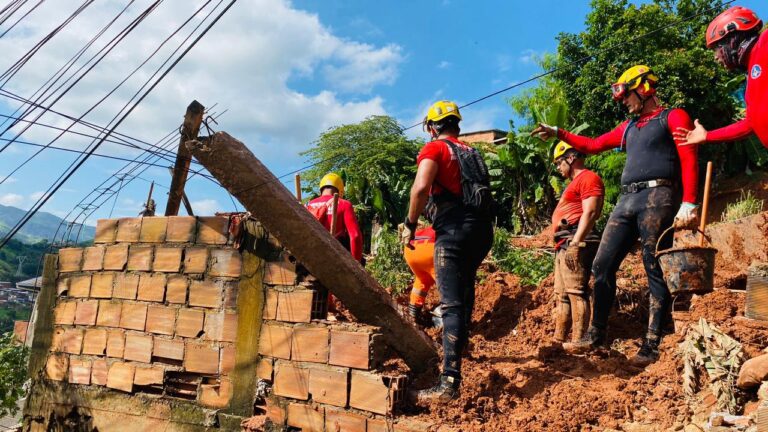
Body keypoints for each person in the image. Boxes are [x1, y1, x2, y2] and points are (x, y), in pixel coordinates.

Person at [531, 65, 699, 366]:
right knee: (601, 265)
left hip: (658, 197)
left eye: (626, 95)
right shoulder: (629, 127)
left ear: (644, 88)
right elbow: (593, 144)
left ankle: (652, 342)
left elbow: (689, 157)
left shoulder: (672, 116)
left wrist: (689, 202)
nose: (623, 102)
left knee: (653, 266)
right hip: (627, 200)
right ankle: (596, 334)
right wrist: (559, 132)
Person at [402, 100, 493, 402]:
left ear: (431, 127)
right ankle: (460, 349)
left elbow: (420, 188)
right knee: (465, 288)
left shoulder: (435, 149)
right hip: (481, 231)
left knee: (451, 303)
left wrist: (410, 223)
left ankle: (448, 383)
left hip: (453, 230)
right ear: (457, 123)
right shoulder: (472, 151)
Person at [674, 6, 767, 147]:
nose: (716, 57)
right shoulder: (750, 85)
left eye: (716, 49)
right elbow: (750, 124)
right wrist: (707, 136)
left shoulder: (764, 42)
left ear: (731, 38)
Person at [549, 142, 604, 351]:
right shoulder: (575, 182)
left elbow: (590, 212)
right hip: (565, 242)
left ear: (570, 158)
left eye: (558, 163)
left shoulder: (588, 177)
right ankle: (559, 340)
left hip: (575, 241)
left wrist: (575, 242)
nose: (557, 168)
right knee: (562, 294)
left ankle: (580, 341)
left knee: (575, 291)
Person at [306, 173, 363, 262]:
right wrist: (357, 263)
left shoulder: (309, 205)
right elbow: (355, 236)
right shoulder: (344, 204)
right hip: (337, 255)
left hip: (312, 252)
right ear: (340, 190)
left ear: (321, 189)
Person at [403, 225, 436, 321]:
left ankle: (413, 314)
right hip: (430, 248)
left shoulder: (427, 228)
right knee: (448, 287)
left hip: (411, 249)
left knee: (422, 280)